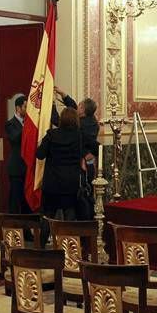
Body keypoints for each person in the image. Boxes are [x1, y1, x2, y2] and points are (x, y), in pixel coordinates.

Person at [36, 107, 84, 244]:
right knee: (70, 215)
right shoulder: (78, 136)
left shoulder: (51, 135)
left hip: (52, 183)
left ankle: (41, 249)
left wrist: (40, 144)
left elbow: (40, 155)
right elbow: (80, 155)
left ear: (61, 120)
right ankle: (69, 248)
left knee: (47, 216)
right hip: (70, 183)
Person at [55, 87, 99, 219]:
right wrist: (63, 94)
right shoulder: (91, 121)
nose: (77, 107)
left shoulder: (81, 125)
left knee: (81, 195)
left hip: (81, 164)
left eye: (79, 106)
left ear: (83, 111)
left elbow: (61, 120)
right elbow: (73, 108)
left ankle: (81, 222)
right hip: (88, 162)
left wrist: (51, 106)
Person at [5, 95, 30, 214]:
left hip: (28, 168)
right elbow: (15, 139)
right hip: (16, 168)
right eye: (25, 107)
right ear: (18, 108)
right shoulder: (10, 124)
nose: (28, 109)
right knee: (15, 200)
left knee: (27, 201)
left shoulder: (29, 124)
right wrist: (26, 127)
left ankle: (27, 230)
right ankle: (13, 229)